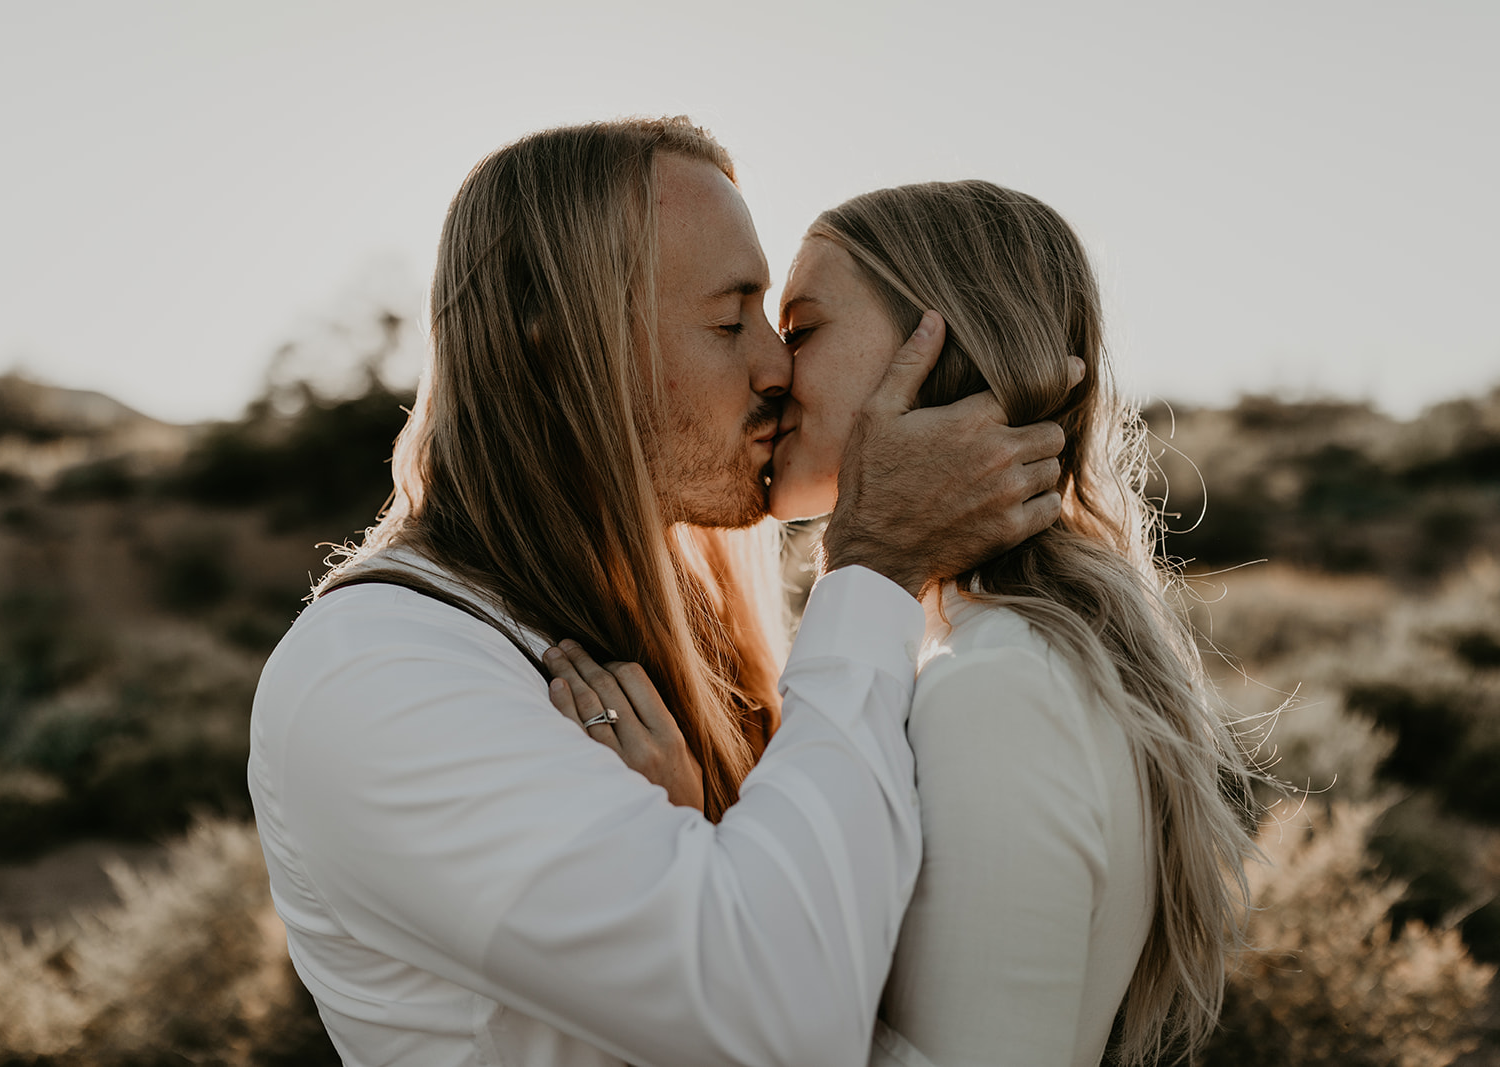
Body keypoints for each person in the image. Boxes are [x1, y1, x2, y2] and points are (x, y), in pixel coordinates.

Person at [247, 118, 1072, 1066]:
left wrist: (704, 845)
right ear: (553, 342)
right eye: (731, 323)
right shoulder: (381, 677)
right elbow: (783, 1022)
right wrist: (876, 564)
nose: (776, 368)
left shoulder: (668, 616)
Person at [575, 180, 1258, 1066]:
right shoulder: (979, 655)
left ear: (935, 352)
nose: (776, 371)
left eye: (805, 327)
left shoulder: (1000, 688)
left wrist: (678, 857)